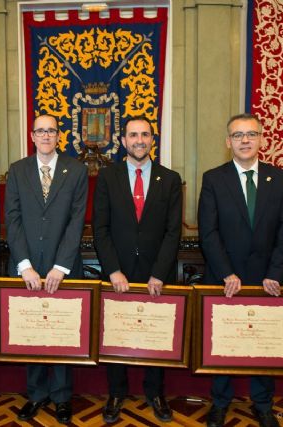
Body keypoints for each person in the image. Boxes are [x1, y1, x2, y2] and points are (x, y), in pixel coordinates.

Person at [197, 113, 283, 427]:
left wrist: (275, 274)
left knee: (263, 344)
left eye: (251, 134)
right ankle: (220, 403)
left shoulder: (279, 179)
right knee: (222, 344)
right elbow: (207, 232)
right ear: (228, 142)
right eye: (238, 135)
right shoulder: (213, 179)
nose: (245, 140)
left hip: (266, 279)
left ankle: (263, 404)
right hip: (226, 278)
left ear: (262, 139)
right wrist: (227, 273)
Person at [93, 116, 182, 423]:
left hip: (156, 272)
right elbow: (100, 229)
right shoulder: (108, 177)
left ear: (151, 139)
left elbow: (174, 232)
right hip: (119, 272)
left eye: (144, 134)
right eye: (133, 135)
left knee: (156, 335)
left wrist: (159, 273)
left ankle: (155, 392)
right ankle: (117, 393)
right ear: (123, 141)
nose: (139, 140)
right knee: (116, 333)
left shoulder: (170, 179)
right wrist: (114, 271)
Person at [5, 113, 88, 425]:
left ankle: (63, 397)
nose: (45, 135)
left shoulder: (76, 170)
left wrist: (61, 266)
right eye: (40, 130)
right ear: (32, 134)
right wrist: (24, 265)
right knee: (33, 334)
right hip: (28, 268)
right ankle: (36, 394)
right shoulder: (18, 170)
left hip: (63, 268)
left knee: (63, 335)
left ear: (58, 136)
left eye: (51, 130)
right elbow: (12, 219)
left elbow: (77, 220)